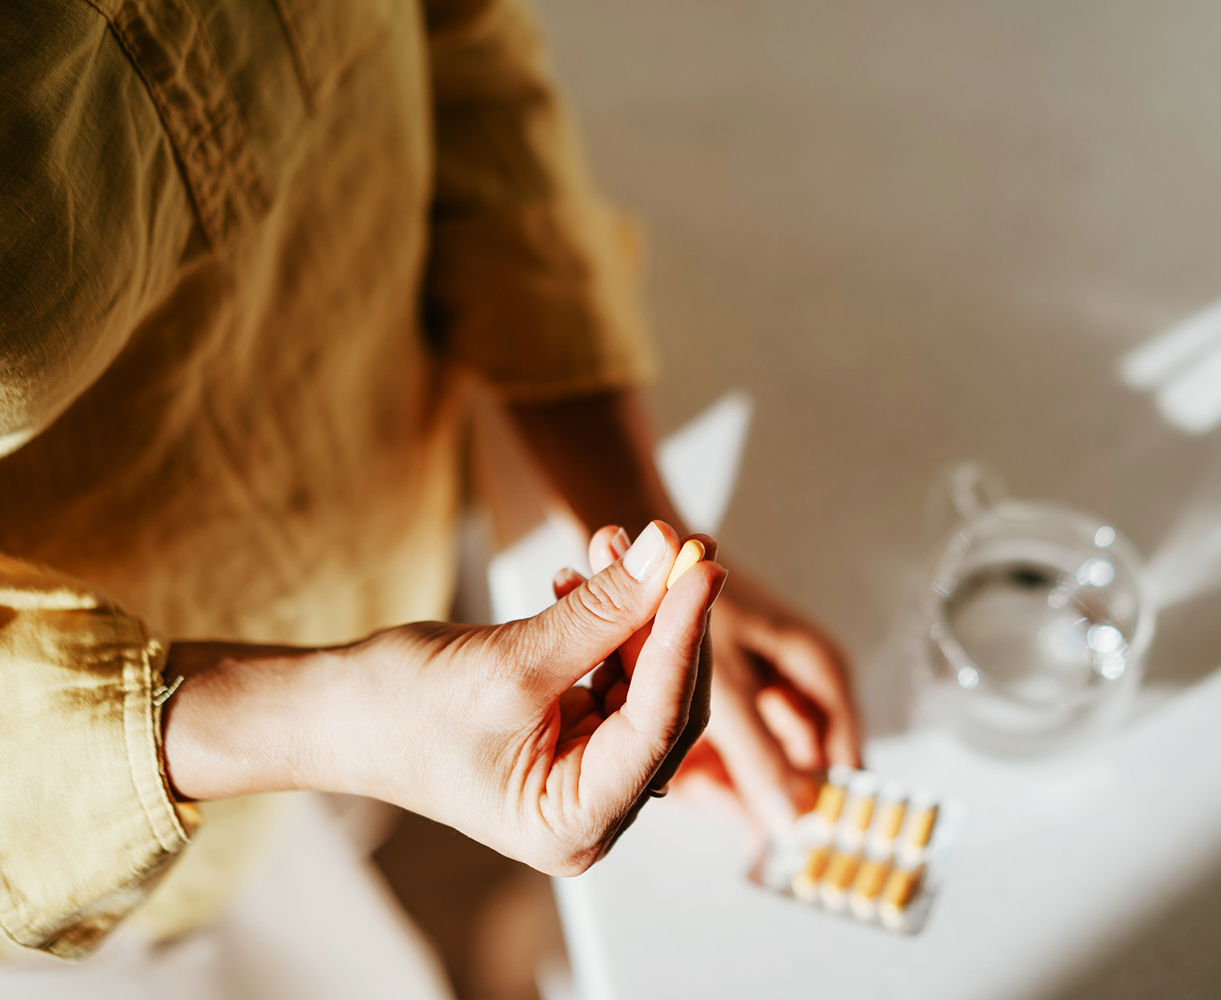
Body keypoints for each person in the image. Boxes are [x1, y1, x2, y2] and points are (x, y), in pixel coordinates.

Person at [0, 0, 861, 980]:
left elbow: (455, 41)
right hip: (109, 832)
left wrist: (624, 499)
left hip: (403, 568)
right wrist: (319, 720)